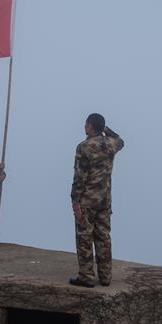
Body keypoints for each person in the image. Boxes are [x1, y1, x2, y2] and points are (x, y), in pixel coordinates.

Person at [70, 113, 124, 287]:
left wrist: (75, 201)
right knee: (103, 237)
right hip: (104, 200)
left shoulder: (84, 147)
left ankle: (86, 276)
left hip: (87, 200)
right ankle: (105, 276)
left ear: (90, 126)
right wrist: (105, 129)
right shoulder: (111, 144)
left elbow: (79, 177)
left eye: (86, 124)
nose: (84, 126)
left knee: (84, 237)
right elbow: (120, 140)